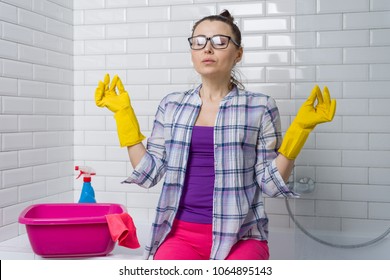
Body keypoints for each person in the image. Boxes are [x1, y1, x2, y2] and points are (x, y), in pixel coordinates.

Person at [95, 10, 336, 260]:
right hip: (180, 235)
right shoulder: (171, 105)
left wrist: (301, 131)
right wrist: (124, 116)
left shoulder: (260, 106)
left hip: (241, 236)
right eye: (199, 42)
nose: (207, 49)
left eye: (220, 42)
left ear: (238, 53)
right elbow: (149, 172)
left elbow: (270, 183)